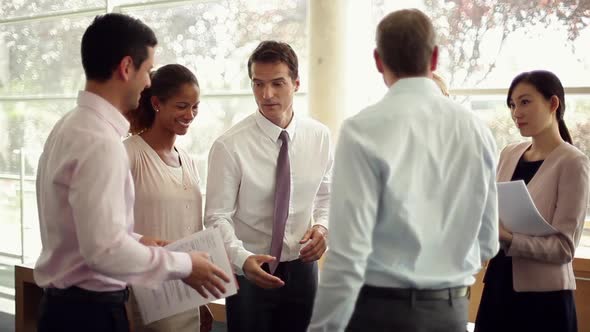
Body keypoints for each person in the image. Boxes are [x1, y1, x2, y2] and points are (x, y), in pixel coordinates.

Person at [34, 14, 229, 332]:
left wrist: (139, 240)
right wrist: (184, 265)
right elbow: (105, 251)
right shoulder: (102, 142)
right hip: (89, 315)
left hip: (64, 308)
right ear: (126, 68)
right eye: (148, 70)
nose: (150, 81)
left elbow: (84, 227)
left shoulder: (68, 126)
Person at [308, 9, 499, 332]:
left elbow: (348, 254)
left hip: (381, 315)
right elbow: (488, 242)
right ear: (435, 58)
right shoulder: (476, 130)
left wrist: (323, 328)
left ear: (378, 61)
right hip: (450, 313)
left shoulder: (362, 130)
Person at [204, 40, 333, 332]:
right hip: (251, 270)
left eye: (277, 83)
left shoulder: (320, 136)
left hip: (303, 269)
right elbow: (216, 217)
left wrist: (323, 227)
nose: (266, 94)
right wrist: (242, 259)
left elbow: (327, 195)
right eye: (258, 84)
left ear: (296, 83)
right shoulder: (229, 146)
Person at [475, 70, 590, 332]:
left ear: (553, 104)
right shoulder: (509, 153)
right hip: (498, 287)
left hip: (543, 303)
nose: (516, 113)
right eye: (513, 105)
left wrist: (509, 238)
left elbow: (564, 248)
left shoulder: (573, 162)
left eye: (525, 102)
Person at [124, 64, 213, 332]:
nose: (190, 114)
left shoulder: (188, 160)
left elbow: (192, 229)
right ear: (156, 103)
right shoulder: (128, 154)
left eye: (195, 107)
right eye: (182, 106)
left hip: (187, 290)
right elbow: (112, 231)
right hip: (147, 294)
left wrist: (202, 300)